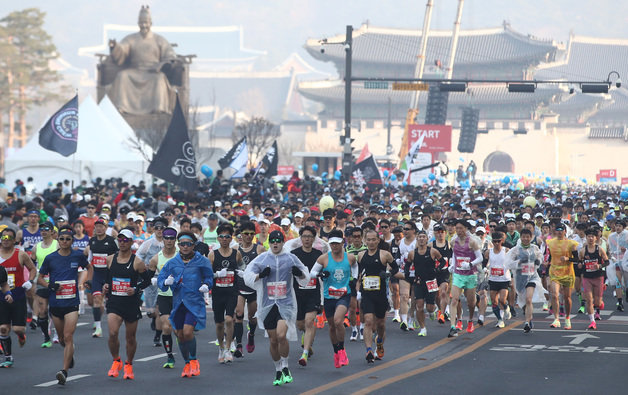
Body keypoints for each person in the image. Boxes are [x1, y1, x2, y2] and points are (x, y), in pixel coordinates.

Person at [244, 230, 309, 386]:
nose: (275, 243)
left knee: (281, 336)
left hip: (285, 303)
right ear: (269, 242)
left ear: (282, 242)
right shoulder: (262, 259)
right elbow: (247, 276)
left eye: (278, 241)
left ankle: (286, 366)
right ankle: (278, 369)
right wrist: (261, 275)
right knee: (273, 340)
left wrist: (299, 273)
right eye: (272, 240)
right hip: (267, 304)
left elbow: (305, 275)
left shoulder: (291, 258)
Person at [37, 226, 91, 385]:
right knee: (61, 339)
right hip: (55, 303)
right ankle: (70, 353)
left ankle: (64, 371)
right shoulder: (51, 258)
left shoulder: (77, 255)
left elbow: (89, 268)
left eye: (68, 239)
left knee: (68, 336)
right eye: (62, 239)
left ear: (72, 241)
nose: (65, 241)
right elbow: (40, 278)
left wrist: (86, 281)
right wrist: (50, 286)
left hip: (72, 302)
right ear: (58, 240)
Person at [157, 231, 213, 378]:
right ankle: (187, 363)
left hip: (194, 303)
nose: (185, 247)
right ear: (178, 245)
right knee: (180, 335)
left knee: (188, 332)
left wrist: (207, 285)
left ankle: (194, 361)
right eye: (182, 244)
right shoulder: (173, 262)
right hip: (178, 304)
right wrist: (165, 282)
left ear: (193, 245)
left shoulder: (201, 260)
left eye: (188, 244)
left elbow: (209, 276)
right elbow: (161, 278)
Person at [102, 229, 152, 380]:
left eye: (125, 240)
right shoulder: (110, 259)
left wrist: (136, 289)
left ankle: (129, 364)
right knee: (112, 333)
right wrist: (105, 286)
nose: (122, 243)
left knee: (130, 337)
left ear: (131, 242)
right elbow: (107, 278)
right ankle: (116, 360)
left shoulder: (137, 262)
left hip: (130, 303)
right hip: (115, 302)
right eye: (120, 240)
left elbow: (147, 281)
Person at [108, 6, 177, 115]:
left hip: (153, 72)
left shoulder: (159, 40)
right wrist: (114, 47)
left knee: (159, 80)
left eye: (146, 22)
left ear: (150, 23)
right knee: (122, 76)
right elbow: (122, 50)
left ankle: (158, 109)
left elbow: (169, 54)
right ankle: (121, 107)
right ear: (138, 23)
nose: (144, 25)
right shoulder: (131, 39)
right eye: (141, 22)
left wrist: (163, 64)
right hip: (135, 70)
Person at [309, 229, 357, 369]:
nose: (334, 246)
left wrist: (354, 279)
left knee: (338, 321)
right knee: (331, 326)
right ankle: (336, 352)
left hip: (344, 294)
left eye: (337, 243)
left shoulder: (350, 257)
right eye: (332, 244)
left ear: (343, 242)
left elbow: (355, 267)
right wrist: (321, 275)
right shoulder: (324, 258)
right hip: (329, 296)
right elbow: (312, 273)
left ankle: (342, 350)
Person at [357, 229, 401, 362]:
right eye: (368, 240)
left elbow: (396, 269)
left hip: (381, 294)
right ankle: (369, 350)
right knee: (369, 321)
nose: (371, 242)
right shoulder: (361, 255)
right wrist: (358, 287)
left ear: (378, 240)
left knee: (381, 324)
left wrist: (387, 274)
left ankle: (380, 342)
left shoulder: (385, 255)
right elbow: (359, 273)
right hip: (367, 294)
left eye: (373, 240)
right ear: (365, 240)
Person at [0, 228, 37, 367]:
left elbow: (32, 269)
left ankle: (22, 335)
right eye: (4, 237)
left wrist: (30, 281)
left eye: (9, 238)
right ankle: (8, 357)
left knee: (17, 329)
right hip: (1, 295)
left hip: (18, 295)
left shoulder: (20, 255)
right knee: (3, 328)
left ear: (14, 240)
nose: (6, 240)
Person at [208, 223, 242, 363]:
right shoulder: (213, 254)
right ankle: (221, 348)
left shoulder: (236, 253)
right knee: (219, 324)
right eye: (221, 236)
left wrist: (242, 273)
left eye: (227, 236)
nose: (224, 239)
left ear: (231, 238)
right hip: (217, 292)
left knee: (229, 319)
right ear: (218, 238)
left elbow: (242, 267)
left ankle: (228, 348)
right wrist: (217, 274)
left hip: (232, 291)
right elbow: (207, 275)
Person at [291, 226, 323, 366]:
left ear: (314, 238)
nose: (307, 239)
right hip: (298, 293)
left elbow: (323, 272)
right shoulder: (293, 254)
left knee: (309, 321)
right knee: (300, 324)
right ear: (300, 238)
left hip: (313, 293)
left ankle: (304, 354)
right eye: (304, 236)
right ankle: (308, 342)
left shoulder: (318, 254)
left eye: (310, 236)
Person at [83, 218, 118, 338]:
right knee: (96, 299)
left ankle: (113, 324)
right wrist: (89, 278)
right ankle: (98, 328)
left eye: (101, 226)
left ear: (106, 228)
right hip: (97, 274)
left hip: (109, 275)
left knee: (109, 303)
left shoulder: (112, 241)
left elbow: (118, 257)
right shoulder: (92, 241)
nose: (99, 228)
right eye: (97, 226)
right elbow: (89, 262)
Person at [447, 220, 483, 337]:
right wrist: (452, 264)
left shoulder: (472, 242)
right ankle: (453, 326)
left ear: (466, 229)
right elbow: (455, 253)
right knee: (454, 299)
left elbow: (480, 258)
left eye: (461, 228)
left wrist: (470, 264)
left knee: (471, 303)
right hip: (458, 274)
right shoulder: (453, 241)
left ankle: (471, 320)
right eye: (457, 228)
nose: (459, 231)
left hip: (470, 275)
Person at [149, 226, 178, 368]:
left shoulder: (182, 254)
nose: (169, 240)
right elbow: (147, 276)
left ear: (175, 239)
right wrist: (153, 280)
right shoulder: (156, 259)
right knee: (167, 327)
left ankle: (189, 356)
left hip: (180, 296)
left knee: (181, 330)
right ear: (163, 239)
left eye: (172, 238)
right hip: (164, 295)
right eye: (166, 237)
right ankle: (170, 356)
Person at [136, 217, 167, 346]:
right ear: (153, 229)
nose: (159, 230)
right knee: (150, 311)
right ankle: (154, 319)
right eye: (157, 228)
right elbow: (138, 256)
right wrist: (143, 267)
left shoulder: (170, 242)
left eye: (162, 228)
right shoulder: (148, 243)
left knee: (160, 309)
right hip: (150, 278)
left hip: (165, 279)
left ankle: (158, 336)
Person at [235, 221, 264, 356]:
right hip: (239, 288)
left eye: (251, 234)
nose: (248, 236)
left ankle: (251, 334)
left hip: (253, 288)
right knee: (239, 314)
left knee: (252, 318)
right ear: (241, 234)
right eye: (246, 234)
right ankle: (239, 345)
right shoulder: (236, 250)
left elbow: (266, 266)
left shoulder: (259, 249)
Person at [406, 230, 442, 337]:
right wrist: (409, 277)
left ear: (427, 239)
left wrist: (438, 270)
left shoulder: (433, 251)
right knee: (419, 306)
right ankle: (422, 328)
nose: (421, 239)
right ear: (417, 239)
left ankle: (432, 311)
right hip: (419, 282)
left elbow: (443, 262)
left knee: (430, 307)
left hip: (430, 282)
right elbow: (407, 266)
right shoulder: (412, 253)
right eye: (419, 237)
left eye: (423, 237)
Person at [545, 223, 579, 329]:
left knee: (567, 297)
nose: (559, 232)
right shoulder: (550, 242)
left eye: (561, 230)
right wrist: (547, 262)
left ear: (565, 231)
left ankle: (567, 318)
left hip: (567, 273)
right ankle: (556, 319)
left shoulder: (571, 244)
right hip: (554, 272)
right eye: (557, 230)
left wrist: (568, 259)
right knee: (554, 294)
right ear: (555, 231)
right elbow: (551, 255)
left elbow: (577, 259)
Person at [30, 221, 59, 347]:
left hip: (56, 281)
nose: (43, 231)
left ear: (52, 231)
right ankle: (46, 338)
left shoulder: (57, 244)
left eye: (46, 228)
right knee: (42, 310)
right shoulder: (36, 247)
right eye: (41, 229)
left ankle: (58, 334)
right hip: (42, 281)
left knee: (55, 311)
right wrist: (31, 278)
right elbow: (31, 264)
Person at [578, 228, 609, 330]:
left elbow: (607, 262)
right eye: (589, 237)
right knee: (588, 300)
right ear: (586, 238)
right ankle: (592, 321)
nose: (590, 238)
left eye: (592, 236)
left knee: (597, 302)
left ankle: (600, 303)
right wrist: (579, 265)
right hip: (587, 278)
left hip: (598, 277)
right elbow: (580, 263)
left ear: (596, 238)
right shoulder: (583, 251)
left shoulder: (599, 249)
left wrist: (600, 266)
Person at [486, 232, 511, 328]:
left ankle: (506, 307)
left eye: (498, 241)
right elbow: (485, 262)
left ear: (502, 241)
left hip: (504, 279)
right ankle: (500, 320)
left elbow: (512, 261)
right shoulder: (489, 252)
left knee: (502, 300)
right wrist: (485, 268)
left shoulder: (506, 251)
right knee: (494, 301)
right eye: (494, 241)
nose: (496, 243)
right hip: (493, 279)